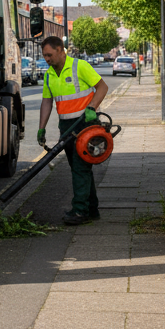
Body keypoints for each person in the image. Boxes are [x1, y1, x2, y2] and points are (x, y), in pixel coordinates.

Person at [35, 35, 109, 225]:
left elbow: (102, 87)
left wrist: (92, 107)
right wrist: (41, 128)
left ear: (61, 50)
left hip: (85, 124)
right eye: (44, 56)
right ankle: (91, 209)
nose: (47, 59)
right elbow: (47, 102)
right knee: (80, 168)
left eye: (50, 55)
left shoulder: (79, 66)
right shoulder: (49, 74)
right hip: (67, 127)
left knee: (80, 167)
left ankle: (80, 211)